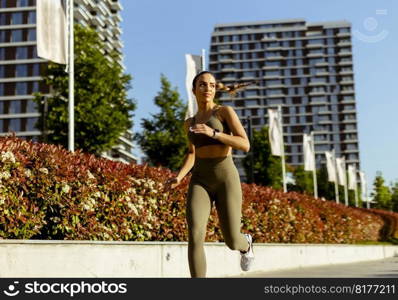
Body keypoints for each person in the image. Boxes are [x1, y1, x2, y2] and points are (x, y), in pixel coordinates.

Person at [165, 71, 254, 278]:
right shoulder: (189, 123)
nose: (208, 89)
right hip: (200, 180)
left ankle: (246, 243)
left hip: (225, 177)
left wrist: (214, 133)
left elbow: (245, 144)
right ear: (194, 89)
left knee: (231, 240)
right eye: (203, 85)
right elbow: (191, 154)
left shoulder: (224, 112)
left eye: (212, 85)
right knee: (195, 235)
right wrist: (179, 177)